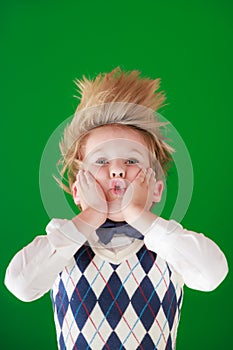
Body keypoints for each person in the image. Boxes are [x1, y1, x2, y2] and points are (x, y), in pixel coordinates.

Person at [4, 67, 228, 350]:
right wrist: (90, 217)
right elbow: (20, 285)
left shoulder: (170, 249)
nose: (118, 171)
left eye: (132, 161)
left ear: (156, 189)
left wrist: (138, 215)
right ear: (77, 190)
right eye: (101, 162)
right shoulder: (62, 248)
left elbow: (212, 274)